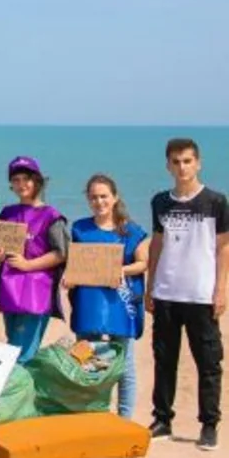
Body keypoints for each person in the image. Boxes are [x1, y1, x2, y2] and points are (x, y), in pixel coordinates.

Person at [146, 138, 228, 451]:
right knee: (164, 359)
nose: (182, 167)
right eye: (176, 162)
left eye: (188, 161)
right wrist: (151, 284)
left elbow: (223, 247)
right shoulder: (160, 202)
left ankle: (209, 425)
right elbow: (157, 244)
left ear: (198, 163)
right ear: (168, 165)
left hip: (201, 294)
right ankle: (163, 419)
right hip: (167, 292)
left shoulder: (215, 201)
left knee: (208, 362)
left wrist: (221, 289)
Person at [66, 174, 149, 419]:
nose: (99, 202)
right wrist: (69, 277)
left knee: (124, 362)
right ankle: (93, 412)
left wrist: (117, 270)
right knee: (87, 357)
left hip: (120, 301)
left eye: (104, 196)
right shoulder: (80, 228)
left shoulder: (132, 230)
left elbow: (143, 263)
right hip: (89, 300)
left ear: (114, 198)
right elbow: (76, 263)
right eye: (93, 197)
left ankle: (125, 417)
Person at [0, 156, 68, 364]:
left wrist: (29, 265)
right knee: (12, 346)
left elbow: (61, 252)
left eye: (26, 179)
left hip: (36, 291)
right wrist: (0, 254)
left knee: (24, 354)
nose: (21, 184)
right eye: (16, 180)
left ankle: (23, 395)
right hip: (10, 289)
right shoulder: (8, 213)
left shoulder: (51, 216)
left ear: (37, 181)